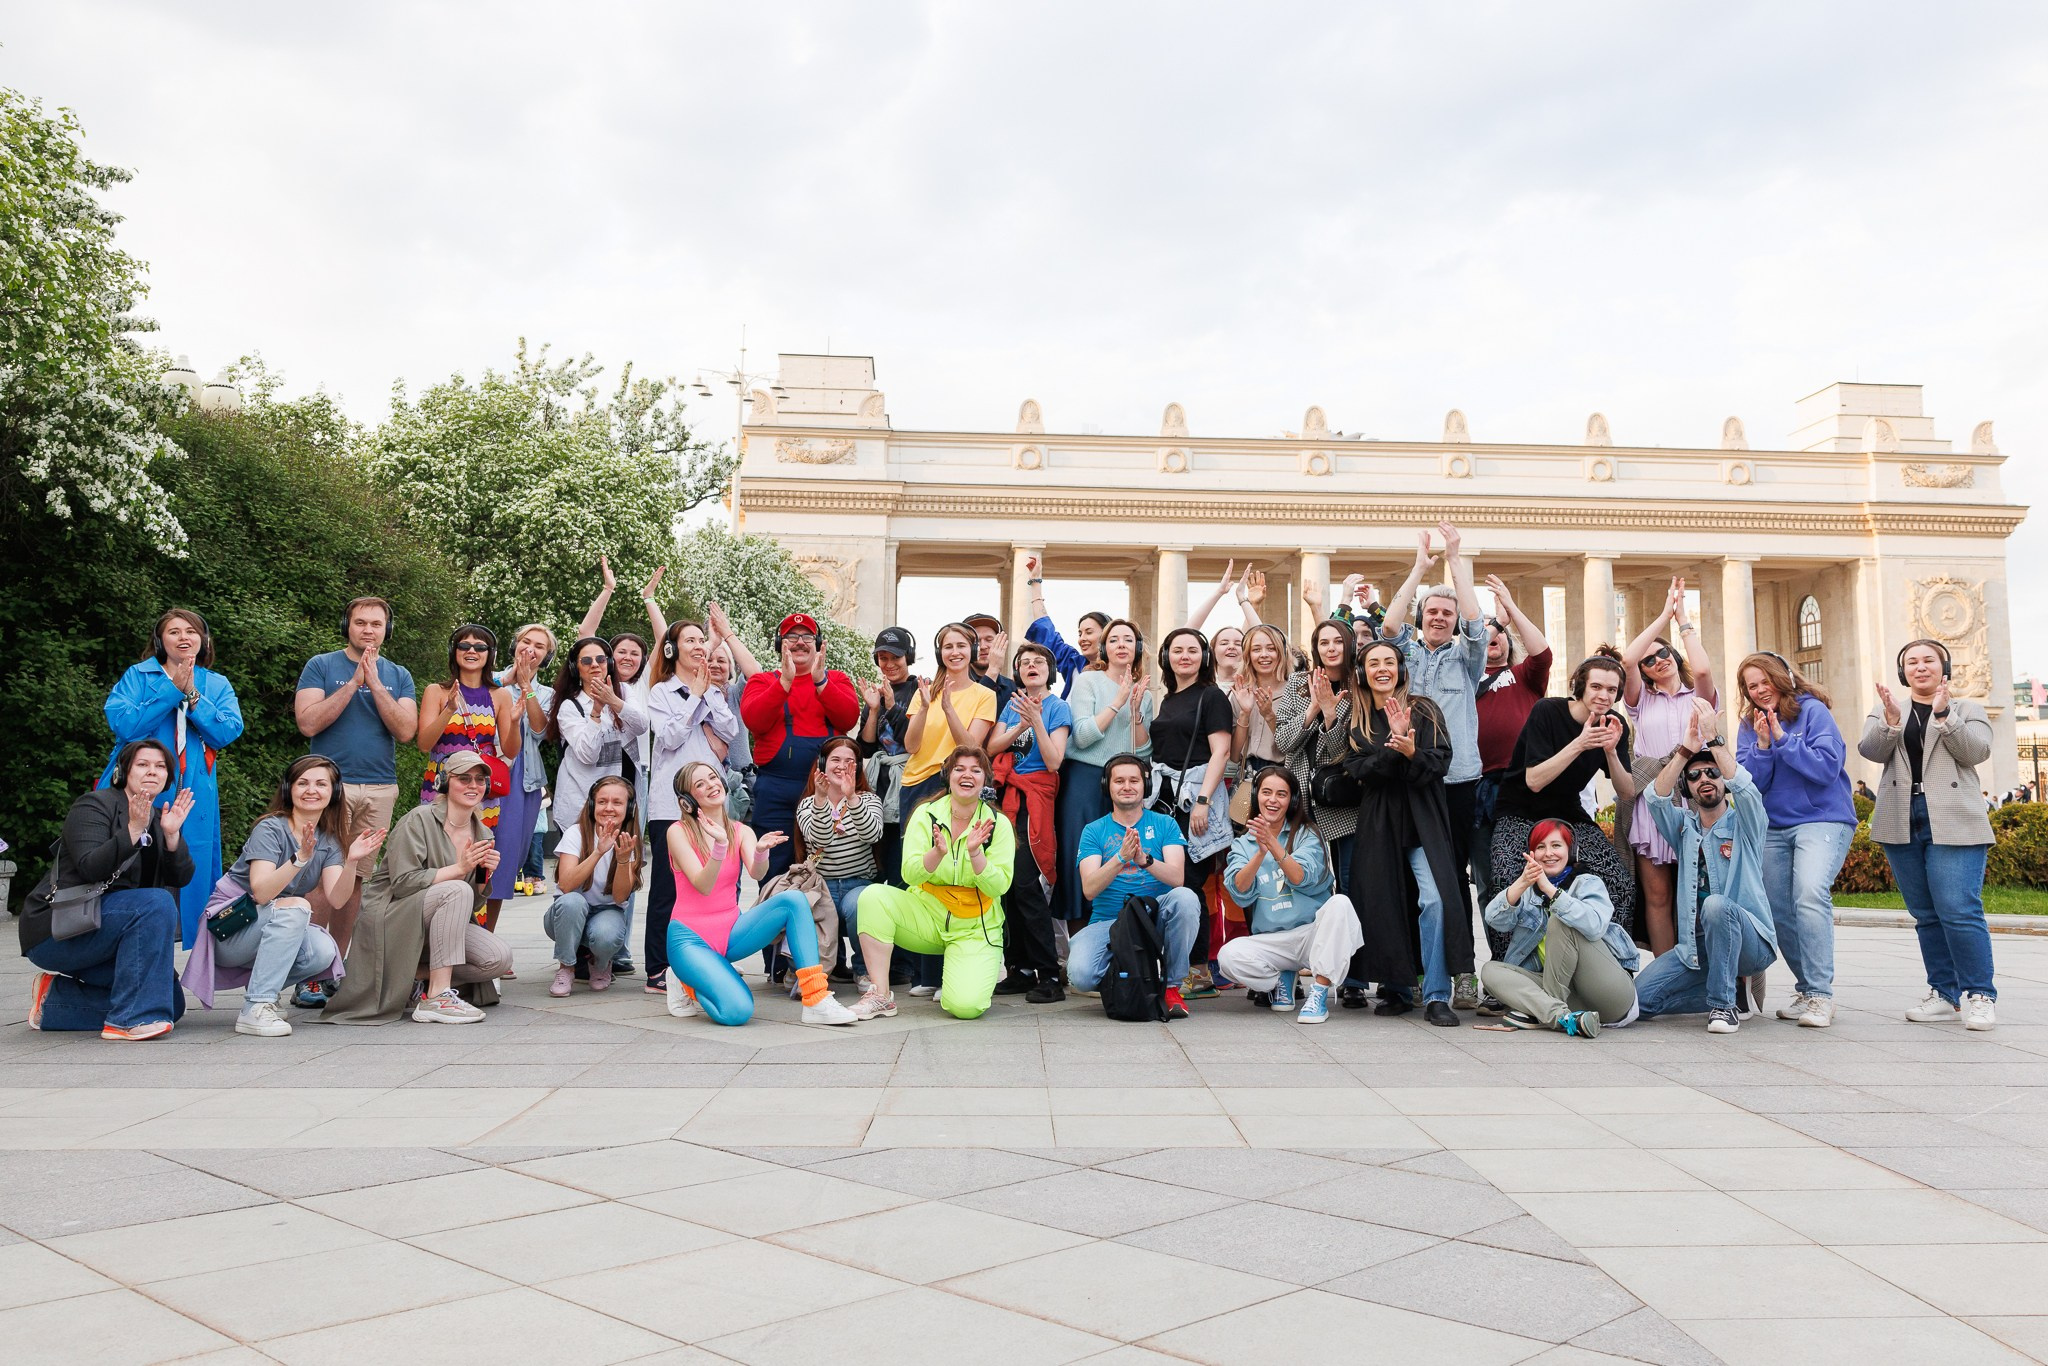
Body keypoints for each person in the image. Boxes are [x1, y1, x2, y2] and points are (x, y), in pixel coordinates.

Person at [190, 756, 385, 1036]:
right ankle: (256, 1007)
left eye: (321, 784)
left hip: (266, 926)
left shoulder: (328, 839)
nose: (311, 790)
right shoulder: (270, 828)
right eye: (302, 783)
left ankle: (262, 989)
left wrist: (352, 861)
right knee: (297, 908)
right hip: (228, 928)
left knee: (323, 950)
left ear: (334, 792)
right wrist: (299, 858)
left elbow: (337, 899)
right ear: (288, 789)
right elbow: (261, 891)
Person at [1860, 639, 1997, 1030]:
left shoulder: (1967, 708)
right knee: (1925, 913)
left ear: (1944, 667)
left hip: (1954, 816)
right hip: (1902, 816)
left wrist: (1944, 717)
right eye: (1912, 662)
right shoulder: (1888, 709)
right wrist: (1888, 722)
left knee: (1958, 908)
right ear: (1903, 672)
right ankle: (1943, 993)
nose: (1920, 667)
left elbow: (1976, 753)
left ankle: (1981, 994)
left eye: (1929, 661)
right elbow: (1870, 750)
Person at [323, 749, 516, 1025]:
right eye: (464, 778)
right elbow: (402, 884)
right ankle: (437, 996)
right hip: (392, 914)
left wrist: (485, 874)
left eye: (480, 780)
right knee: (455, 889)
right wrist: (460, 869)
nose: (474, 785)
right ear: (446, 783)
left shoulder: (483, 832)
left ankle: (414, 976)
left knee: (498, 958)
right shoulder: (419, 819)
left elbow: (470, 906)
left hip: (437, 921)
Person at [660, 762, 858, 1026]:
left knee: (794, 900)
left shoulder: (741, 831)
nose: (711, 785)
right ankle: (685, 981)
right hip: (690, 940)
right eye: (700, 784)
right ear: (687, 800)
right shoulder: (678, 832)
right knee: (736, 1012)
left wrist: (761, 851)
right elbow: (703, 884)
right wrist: (720, 845)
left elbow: (756, 872)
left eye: (712, 778)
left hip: (730, 932)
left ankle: (816, 999)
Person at [1380, 524, 1488, 1009]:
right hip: (1410, 776)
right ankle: (1421, 969)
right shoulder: (1406, 652)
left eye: (1447, 612)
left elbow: (1476, 621)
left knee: (1452, 878)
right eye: (1434, 611)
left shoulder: (1468, 659)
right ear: (1423, 617)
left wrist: (1455, 560)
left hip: (1458, 779)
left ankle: (1462, 972)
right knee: (1415, 879)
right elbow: (1388, 626)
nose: (1441, 617)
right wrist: (1421, 567)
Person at [22, 741, 194, 1039]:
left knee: (170, 1002)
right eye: (143, 764)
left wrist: (171, 836)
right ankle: (128, 1021)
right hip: (60, 929)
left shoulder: (157, 818)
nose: (152, 771)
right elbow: (90, 867)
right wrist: (132, 830)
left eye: (161, 766)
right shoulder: (93, 805)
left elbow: (180, 877)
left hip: (110, 932)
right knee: (156, 902)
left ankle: (54, 998)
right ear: (124, 771)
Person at [1342, 640, 1468, 1026]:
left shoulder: (1423, 709)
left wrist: (1412, 751)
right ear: (1362, 672)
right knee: (1385, 902)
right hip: (1380, 821)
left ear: (1400, 667)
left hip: (1421, 817)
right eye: (1374, 663)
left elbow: (1440, 763)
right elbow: (1360, 771)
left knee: (1434, 900)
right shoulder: (1357, 719)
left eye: (1389, 662)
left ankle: (1435, 994)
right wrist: (1395, 749)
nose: (1383, 669)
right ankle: (1397, 988)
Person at [101, 608, 244, 948]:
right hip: (141, 788)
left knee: (183, 873)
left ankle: (164, 960)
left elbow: (228, 731)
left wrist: (192, 695)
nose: (184, 637)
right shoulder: (139, 676)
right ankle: (128, 947)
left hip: (191, 794)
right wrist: (170, 690)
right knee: (132, 867)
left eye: (191, 631)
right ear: (159, 641)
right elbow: (124, 725)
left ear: (203, 639)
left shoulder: (215, 682)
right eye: (174, 631)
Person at [294, 595, 418, 988]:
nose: (368, 630)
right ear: (347, 625)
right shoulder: (321, 665)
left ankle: (335, 968)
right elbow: (308, 723)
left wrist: (376, 684)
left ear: (387, 630)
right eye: (361, 622)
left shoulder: (398, 674)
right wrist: (353, 684)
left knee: (357, 877)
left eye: (376, 624)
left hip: (380, 787)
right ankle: (307, 971)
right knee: (319, 875)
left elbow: (406, 730)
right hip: (331, 786)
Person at [1634, 701, 1778, 1033]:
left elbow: (1747, 789)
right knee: (1638, 1001)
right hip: (1695, 947)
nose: (1704, 779)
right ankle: (1730, 990)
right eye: (1695, 776)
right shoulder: (1683, 826)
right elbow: (1656, 798)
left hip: (1749, 943)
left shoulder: (1746, 823)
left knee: (1716, 905)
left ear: (1724, 780)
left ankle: (1722, 1007)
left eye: (1712, 772)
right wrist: (1685, 749)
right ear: (1688, 788)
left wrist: (1714, 740)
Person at [850, 747, 1015, 1021]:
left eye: (976, 770)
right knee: (872, 896)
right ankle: (880, 994)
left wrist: (976, 855)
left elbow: (1000, 886)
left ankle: (964, 969)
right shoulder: (926, 814)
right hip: (926, 915)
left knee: (965, 1007)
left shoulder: (998, 824)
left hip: (975, 927)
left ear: (985, 780)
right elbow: (910, 875)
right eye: (959, 768)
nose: (967, 775)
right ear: (947, 776)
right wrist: (936, 854)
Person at [1736, 651, 1856, 1028]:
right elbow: (1751, 784)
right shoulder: (1748, 724)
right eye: (1751, 686)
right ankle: (1807, 989)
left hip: (1822, 820)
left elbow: (1825, 768)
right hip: (1774, 826)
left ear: (1782, 676)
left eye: (1763, 680)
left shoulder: (1814, 712)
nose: (1759, 690)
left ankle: (1821, 995)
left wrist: (1784, 740)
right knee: (1778, 908)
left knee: (1809, 892)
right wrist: (1763, 747)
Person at [1491, 652, 1639, 939]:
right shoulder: (1548, 710)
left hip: (1566, 811)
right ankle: (1510, 966)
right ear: (1580, 686)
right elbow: (1534, 780)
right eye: (1596, 687)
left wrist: (1610, 752)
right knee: (1506, 879)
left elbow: (1627, 791)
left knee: (1620, 882)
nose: (1604, 696)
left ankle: (1614, 964)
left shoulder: (1613, 723)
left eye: (1611, 690)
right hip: (1519, 809)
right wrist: (1580, 744)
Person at [1215, 766, 1363, 1024]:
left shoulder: (1308, 835)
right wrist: (1259, 852)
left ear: (1292, 800)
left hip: (1311, 935)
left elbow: (1299, 878)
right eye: (1267, 793)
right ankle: (1278, 979)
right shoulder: (1243, 844)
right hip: (1273, 940)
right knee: (1228, 956)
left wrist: (1272, 845)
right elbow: (1240, 892)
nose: (1273, 800)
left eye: (1281, 794)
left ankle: (1319, 991)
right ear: (1256, 797)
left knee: (1341, 904)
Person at [1622, 577, 1720, 956]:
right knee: (1659, 898)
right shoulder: (1639, 702)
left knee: (1702, 890)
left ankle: (1710, 971)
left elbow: (1706, 671)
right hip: (1654, 802)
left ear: (1675, 657)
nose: (1657, 661)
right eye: (1650, 660)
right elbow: (1626, 659)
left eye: (1664, 654)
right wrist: (1663, 614)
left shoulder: (1697, 695)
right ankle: (1668, 974)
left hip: (1697, 796)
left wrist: (1683, 622)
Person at [644, 617, 741, 993]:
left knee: (717, 883)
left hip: (711, 803)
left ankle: (710, 959)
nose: (700, 646)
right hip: (672, 804)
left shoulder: (714, 690)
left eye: (703, 640)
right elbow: (668, 737)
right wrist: (694, 697)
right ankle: (658, 968)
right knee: (669, 889)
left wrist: (707, 694)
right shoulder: (661, 692)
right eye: (691, 640)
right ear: (673, 649)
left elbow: (731, 732)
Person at [1479, 820, 1641, 1038]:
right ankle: (1563, 1017)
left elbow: (1594, 927)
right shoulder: (1528, 892)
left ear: (1570, 850)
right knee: (1491, 971)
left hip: (1607, 994)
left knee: (1561, 919)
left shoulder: (1588, 883)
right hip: (1567, 998)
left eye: (1556, 845)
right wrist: (1521, 883)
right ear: (1532, 854)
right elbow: (1495, 920)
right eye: (1540, 847)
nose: (1548, 853)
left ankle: (1541, 1012)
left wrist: (1551, 891)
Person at [1069, 752, 1201, 1018]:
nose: (1127, 786)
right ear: (1108, 786)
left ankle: (1172, 986)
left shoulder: (1165, 823)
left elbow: (1177, 879)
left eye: (1134, 780)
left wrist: (1144, 860)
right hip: (1109, 921)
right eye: (1119, 781)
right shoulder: (1093, 830)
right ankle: (1125, 976)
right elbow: (1090, 888)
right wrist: (1120, 858)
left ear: (1145, 786)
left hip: (1155, 915)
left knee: (1186, 899)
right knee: (1081, 976)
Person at [740, 612, 860, 885]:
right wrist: (784, 682)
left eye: (807, 637)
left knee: (827, 867)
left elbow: (848, 717)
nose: (799, 643)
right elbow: (754, 720)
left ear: (818, 644)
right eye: (791, 637)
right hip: (776, 789)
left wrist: (821, 682)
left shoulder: (837, 679)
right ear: (779, 645)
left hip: (828, 789)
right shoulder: (762, 681)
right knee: (774, 873)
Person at [988, 641, 1073, 1003]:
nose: (1032, 666)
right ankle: (1019, 968)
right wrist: (1019, 722)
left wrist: (1035, 720)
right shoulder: (1011, 704)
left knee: (1027, 882)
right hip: (1007, 799)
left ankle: (1049, 973)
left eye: (1039, 662)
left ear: (1050, 671)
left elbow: (1054, 760)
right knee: (1006, 883)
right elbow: (992, 748)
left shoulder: (1058, 707)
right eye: (1024, 663)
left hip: (1035, 797)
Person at [1151, 627, 1235, 996]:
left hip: (1197, 800)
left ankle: (1198, 971)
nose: (1184, 656)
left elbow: (1221, 751)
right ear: (1166, 655)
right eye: (1177, 649)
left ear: (1204, 656)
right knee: (1173, 881)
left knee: (1191, 883)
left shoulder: (1212, 696)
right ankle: (1182, 967)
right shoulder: (1169, 699)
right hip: (1166, 800)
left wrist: (1203, 801)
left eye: (1192, 650)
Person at [1471, 575, 1553, 942]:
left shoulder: (1524, 677)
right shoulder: (1462, 679)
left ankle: (1537, 964)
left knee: (1536, 875)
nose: (1494, 636)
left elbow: (1542, 653)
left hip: (1524, 788)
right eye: (1487, 633)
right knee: (1489, 882)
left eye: (1499, 632)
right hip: (1478, 791)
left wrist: (1510, 610)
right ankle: (1500, 966)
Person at [1060, 620, 1155, 925]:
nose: (1122, 645)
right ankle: (1077, 942)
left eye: (1129, 639)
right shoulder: (1089, 681)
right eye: (1114, 640)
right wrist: (1118, 701)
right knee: (1080, 856)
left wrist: (1137, 712)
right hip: (1085, 779)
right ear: (1104, 648)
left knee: (1119, 853)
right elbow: (1083, 736)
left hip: (1124, 783)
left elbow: (1142, 754)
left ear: (1137, 648)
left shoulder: (1146, 693)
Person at [1274, 619, 1361, 901]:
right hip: (1302, 798)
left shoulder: (1359, 686)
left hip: (1342, 798)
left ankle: (1354, 945)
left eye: (1338, 641)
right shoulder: (1299, 682)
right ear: (1316, 648)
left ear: (1349, 644)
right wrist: (1314, 708)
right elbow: (1284, 741)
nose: (1331, 648)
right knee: (1309, 882)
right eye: (1324, 642)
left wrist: (1331, 714)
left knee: (1350, 884)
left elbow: (1343, 750)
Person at [546, 636, 650, 851]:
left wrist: (613, 701)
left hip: (622, 800)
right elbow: (588, 755)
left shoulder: (624, 692)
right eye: (587, 661)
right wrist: (596, 710)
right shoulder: (570, 706)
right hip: (581, 803)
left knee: (620, 870)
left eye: (601, 659)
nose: (595, 665)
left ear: (609, 663)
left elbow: (641, 726)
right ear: (576, 668)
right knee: (583, 872)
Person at [417, 624, 522, 832]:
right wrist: (449, 710)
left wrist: (515, 722)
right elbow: (423, 744)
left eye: (480, 647)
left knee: (477, 855)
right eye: (464, 645)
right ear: (453, 651)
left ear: (490, 655)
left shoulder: (500, 695)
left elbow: (511, 751)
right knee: (438, 851)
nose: (471, 651)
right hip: (442, 786)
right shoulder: (436, 691)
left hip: (480, 788)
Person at [795, 737, 884, 983]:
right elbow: (818, 837)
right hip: (822, 886)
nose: (841, 766)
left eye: (849, 761)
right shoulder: (807, 804)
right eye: (835, 759)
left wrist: (852, 798)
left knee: (861, 905)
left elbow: (873, 834)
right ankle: (822, 969)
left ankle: (864, 970)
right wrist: (821, 801)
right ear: (822, 764)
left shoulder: (869, 800)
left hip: (858, 884)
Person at [545, 775, 641, 997]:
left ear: (629, 807)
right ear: (591, 805)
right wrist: (598, 852)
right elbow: (566, 885)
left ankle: (601, 962)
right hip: (565, 915)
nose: (608, 808)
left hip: (607, 911)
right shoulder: (575, 834)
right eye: (602, 802)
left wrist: (624, 859)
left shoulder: (630, 840)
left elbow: (619, 897)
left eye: (617, 802)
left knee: (607, 934)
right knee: (572, 901)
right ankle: (566, 967)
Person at [489, 623, 557, 926]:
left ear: (547, 656)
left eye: (539, 646)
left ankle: (486, 942)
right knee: (480, 855)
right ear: (514, 645)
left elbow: (540, 730)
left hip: (523, 781)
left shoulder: (547, 694)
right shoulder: (489, 681)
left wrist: (527, 687)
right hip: (486, 778)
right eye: (525, 642)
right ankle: (465, 938)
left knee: (506, 862)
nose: (530, 649)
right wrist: (508, 680)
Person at [902, 623, 1000, 810]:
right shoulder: (924, 692)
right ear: (940, 654)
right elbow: (911, 746)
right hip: (916, 784)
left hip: (958, 783)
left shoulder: (985, 695)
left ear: (972, 650)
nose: (955, 652)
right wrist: (923, 708)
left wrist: (948, 709)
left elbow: (971, 748)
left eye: (961, 646)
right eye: (948, 647)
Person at [857, 626, 918, 899]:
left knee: (900, 861)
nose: (890, 664)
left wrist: (893, 706)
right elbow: (867, 746)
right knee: (875, 859)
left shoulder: (921, 690)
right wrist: (873, 709)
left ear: (908, 656)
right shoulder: (877, 692)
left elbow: (913, 741)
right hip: (879, 784)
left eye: (895, 657)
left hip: (909, 785)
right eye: (883, 658)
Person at [1020, 552, 1109, 697]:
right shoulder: (1074, 663)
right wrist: (1035, 582)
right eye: (1080, 633)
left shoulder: (1118, 670)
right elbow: (1046, 632)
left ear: (1106, 635)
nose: (1082, 638)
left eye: (1089, 632)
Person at [1231, 623, 1294, 780]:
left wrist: (1269, 716)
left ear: (1282, 652)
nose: (1264, 655)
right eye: (1256, 649)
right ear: (1248, 655)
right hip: (1248, 776)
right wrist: (1245, 713)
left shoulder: (1295, 692)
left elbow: (1294, 749)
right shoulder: (1240, 693)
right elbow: (1233, 754)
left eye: (1271, 648)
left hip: (1285, 774)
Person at [963, 612, 1020, 712]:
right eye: (976, 641)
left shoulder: (1012, 688)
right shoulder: (953, 685)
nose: (983, 646)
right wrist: (993, 670)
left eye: (989, 640)